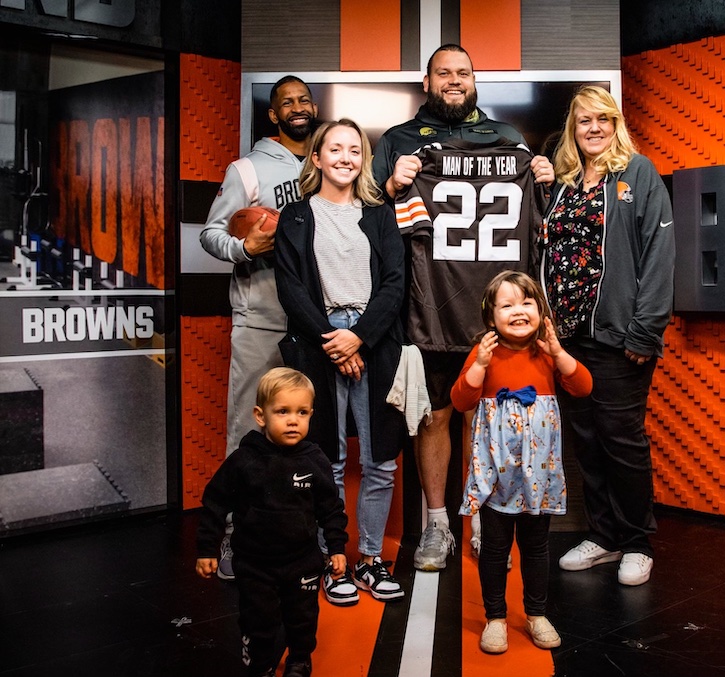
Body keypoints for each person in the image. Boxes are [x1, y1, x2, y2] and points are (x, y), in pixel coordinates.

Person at [373, 43, 555, 571]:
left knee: (486, 414)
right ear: (426, 82)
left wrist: (542, 181)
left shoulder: (509, 140)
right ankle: (437, 528)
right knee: (435, 414)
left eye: (464, 72)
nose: (454, 80)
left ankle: (480, 521)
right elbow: (370, 216)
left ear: (475, 81)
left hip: (493, 308)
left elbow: (541, 226)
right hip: (428, 306)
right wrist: (391, 186)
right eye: (443, 73)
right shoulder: (399, 142)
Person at [539, 85, 675, 586]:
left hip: (620, 337)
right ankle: (603, 536)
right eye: (583, 121)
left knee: (622, 441)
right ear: (572, 130)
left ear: (616, 123)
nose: (593, 128)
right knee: (588, 441)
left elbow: (660, 255)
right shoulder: (565, 181)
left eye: (602, 119)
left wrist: (645, 331)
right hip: (568, 339)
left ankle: (637, 542)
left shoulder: (637, 175)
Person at [275, 119, 407, 605]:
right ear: (317, 158)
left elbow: (395, 282)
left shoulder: (380, 215)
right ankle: (333, 563)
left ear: (363, 160)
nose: (346, 157)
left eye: (355, 150)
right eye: (335, 148)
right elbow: (290, 288)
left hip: (374, 342)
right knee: (327, 461)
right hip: (319, 342)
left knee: (379, 462)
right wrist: (334, 341)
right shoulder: (294, 216)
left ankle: (370, 560)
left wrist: (359, 339)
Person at [200, 75, 319, 580]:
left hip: (317, 320)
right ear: (273, 115)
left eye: (304, 99)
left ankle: (306, 535)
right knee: (248, 429)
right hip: (263, 318)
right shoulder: (246, 169)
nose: (297, 107)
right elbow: (210, 233)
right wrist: (245, 248)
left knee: (312, 434)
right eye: (286, 101)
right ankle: (235, 537)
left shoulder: (330, 160)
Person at [451, 270, 592, 654]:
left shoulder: (546, 353)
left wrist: (559, 353)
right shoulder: (484, 352)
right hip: (497, 473)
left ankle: (536, 613)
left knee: (535, 545)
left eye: (527, 302)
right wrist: (479, 364)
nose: (518, 310)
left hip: (538, 473)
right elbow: (461, 400)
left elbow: (583, 386)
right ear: (490, 316)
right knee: (495, 548)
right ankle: (495, 617)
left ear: (541, 311)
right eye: (507, 304)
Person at [196, 367, 348, 677]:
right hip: (255, 563)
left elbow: (331, 508)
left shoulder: (315, 460)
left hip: (302, 560)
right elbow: (214, 503)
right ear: (260, 415)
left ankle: (300, 660)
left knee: (302, 618)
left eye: (302, 412)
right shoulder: (243, 461)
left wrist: (336, 547)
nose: (293, 420)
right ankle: (261, 664)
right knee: (258, 620)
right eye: (283, 411)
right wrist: (206, 549)